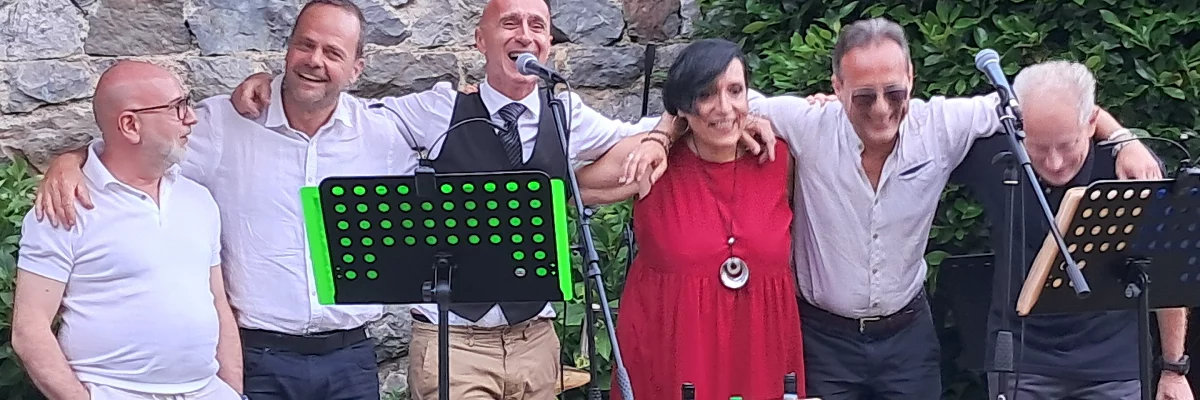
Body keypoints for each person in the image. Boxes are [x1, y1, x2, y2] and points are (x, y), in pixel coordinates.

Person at [219, 1, 770, 398]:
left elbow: (655, 127)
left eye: (538, 25)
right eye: (510, 23)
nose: (525, 35)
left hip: (535, 338)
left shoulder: (565, 113)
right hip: (453, 340)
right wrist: (271, 82)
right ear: (480, 40)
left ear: (548, 44)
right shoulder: (435, 110)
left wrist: (679, 128)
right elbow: (342, 112)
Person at [630, 17, 1164, 399]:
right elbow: (708, 104)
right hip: (824, 339)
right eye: (863, 96)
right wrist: (659, 137)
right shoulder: (806, 122)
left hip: (908, 336)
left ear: (911, 78)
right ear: (836, 87)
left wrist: (1123, 138)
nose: (882, 109)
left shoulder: (943, 125)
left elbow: (1048, 101)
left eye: (893, 91)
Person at [29, 1, 418, 399]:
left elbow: (450, 141)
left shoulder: (382, 135)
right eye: (306, 44)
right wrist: (71, 160)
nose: (315, 60)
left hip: (350, 357)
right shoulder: (222, 125)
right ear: (287, 48)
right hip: (259, 357)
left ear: (356, 68)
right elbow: (134, 143)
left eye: (333, 52)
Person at [576, 38, 806, 400]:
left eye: (735, 91)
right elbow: (576, 188)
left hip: (760, 352)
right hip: (672, 354)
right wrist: (663, 135)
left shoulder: (777, 160)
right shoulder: (655, 163)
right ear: (683, 104)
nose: (724, 108)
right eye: (706, 94)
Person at [949, 60, 1193, 400]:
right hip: (1022, 362)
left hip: (1114, 367)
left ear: (1091, 124)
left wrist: (1173, 368)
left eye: (1066, 145)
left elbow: (1164, 270)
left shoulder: (1130, 168)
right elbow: (917, 135)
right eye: (1038, 147)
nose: (1054, 162)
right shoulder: (996, 157)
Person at [10, 61, 243, 400]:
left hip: (206, 391)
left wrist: (232, 391)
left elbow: (218, 302)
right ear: (130, 125)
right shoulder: (64, 205)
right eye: (177, 107)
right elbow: (29, 329)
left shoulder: (198, 199)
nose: (191, 118)